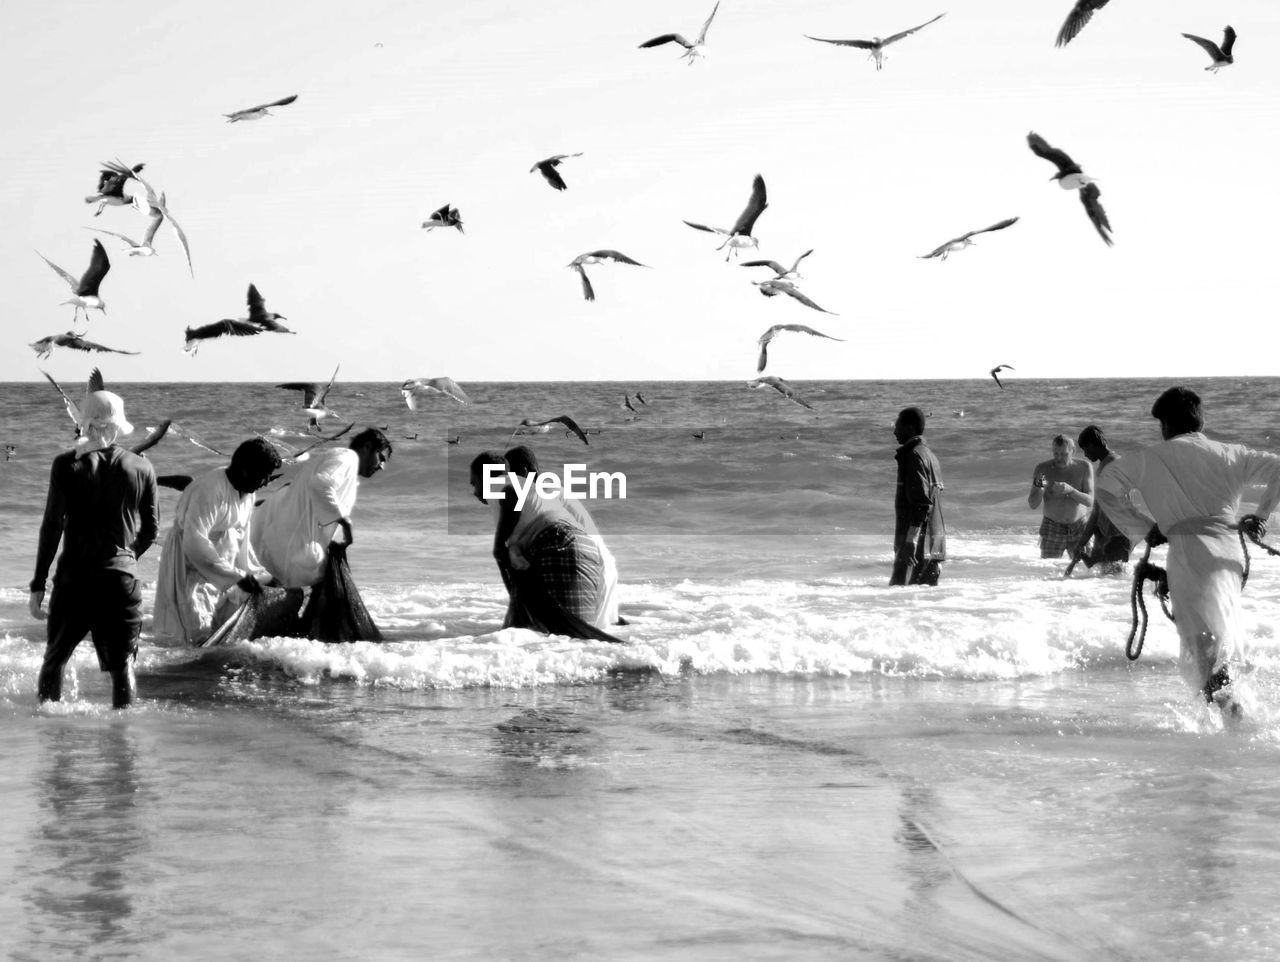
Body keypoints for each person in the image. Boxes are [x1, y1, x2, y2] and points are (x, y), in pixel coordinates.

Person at [1095, 387, 1280, 716]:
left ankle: (1234, 720)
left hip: (1188, 555)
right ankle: (1234, 714)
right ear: (1201, 420)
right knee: (1216, 639)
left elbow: (1107, 486)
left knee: (1204, 646)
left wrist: (1143, 527)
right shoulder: (1229, 452)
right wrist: (1262, 517)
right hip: (1229, 556)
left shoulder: (1150, 458)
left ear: (1165, 425)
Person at [28, 391, 158, 708]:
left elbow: (51, 527)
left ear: (85, 423)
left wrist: (38, 585)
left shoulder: (66, 465)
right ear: (118, 426)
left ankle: (54, 743)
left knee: (54, 661)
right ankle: (122, 748)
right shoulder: (142, 467)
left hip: (74, 580)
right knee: (122, 666)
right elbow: (152, 529)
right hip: (121, 583)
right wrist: (125, 558)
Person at [153, 438, 282, 645]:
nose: (267, 481)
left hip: (221, 558)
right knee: (190, 622)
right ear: (245, 471)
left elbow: (242, 538)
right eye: (264, 476)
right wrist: (235, 575)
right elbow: (195, 541)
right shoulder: (210, 490)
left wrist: (255, 573)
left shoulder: (248, 493)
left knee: (216, 618)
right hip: (190, 558)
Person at [250, 428, 392, 588]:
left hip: (280, 545)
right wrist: (345, 523)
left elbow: (298, 488)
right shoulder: (347, 458)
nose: (381, 466)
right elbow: (320, 485)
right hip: (291, 552)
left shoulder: (338, 460)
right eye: (381, 458)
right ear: (367, 447)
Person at [891, 407, 946, 586]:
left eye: (897, 426)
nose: (894, 432)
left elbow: (922, 503)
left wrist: (910, 541)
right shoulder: (930, 455)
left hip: (916, 550)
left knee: (899, 602)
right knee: (921, 608)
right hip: (934, 549)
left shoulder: (913, 456)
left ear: (909, 428)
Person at [1070, 425, 1132, 573]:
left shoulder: (1109, 467)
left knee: (1111, 577)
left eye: (1085, 449)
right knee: (1110, 579)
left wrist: (1082, 542)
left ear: (1092, 445)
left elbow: (1098, 510)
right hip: (1114, 534)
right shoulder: (1112, 462)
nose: (1085, 454)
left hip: (1116, 536)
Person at [1028, 434, 1094, 559]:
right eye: (1055, 453)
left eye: (1063, 454)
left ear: (1072, 451)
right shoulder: (1042, 469)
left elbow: (1090, 501)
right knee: (1048, 569)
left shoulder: (1084, 467)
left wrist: (1071, 490)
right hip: (1052, 528)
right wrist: (1040, 488)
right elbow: (1032, 504)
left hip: (1079, 526)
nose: (1059, 458)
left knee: (1086, 571)